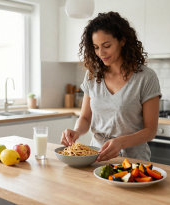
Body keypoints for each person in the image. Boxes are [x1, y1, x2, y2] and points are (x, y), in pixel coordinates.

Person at [61, 11, 162, 162]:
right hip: (96, 158)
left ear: (122, 40)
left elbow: (150, 130)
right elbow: (85, 118)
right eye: (95, 47)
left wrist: (120, 143)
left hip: (133, 161)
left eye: (106, 45)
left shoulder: (146, 77)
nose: (101, 53)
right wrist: (76, 131)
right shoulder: (92, 75)